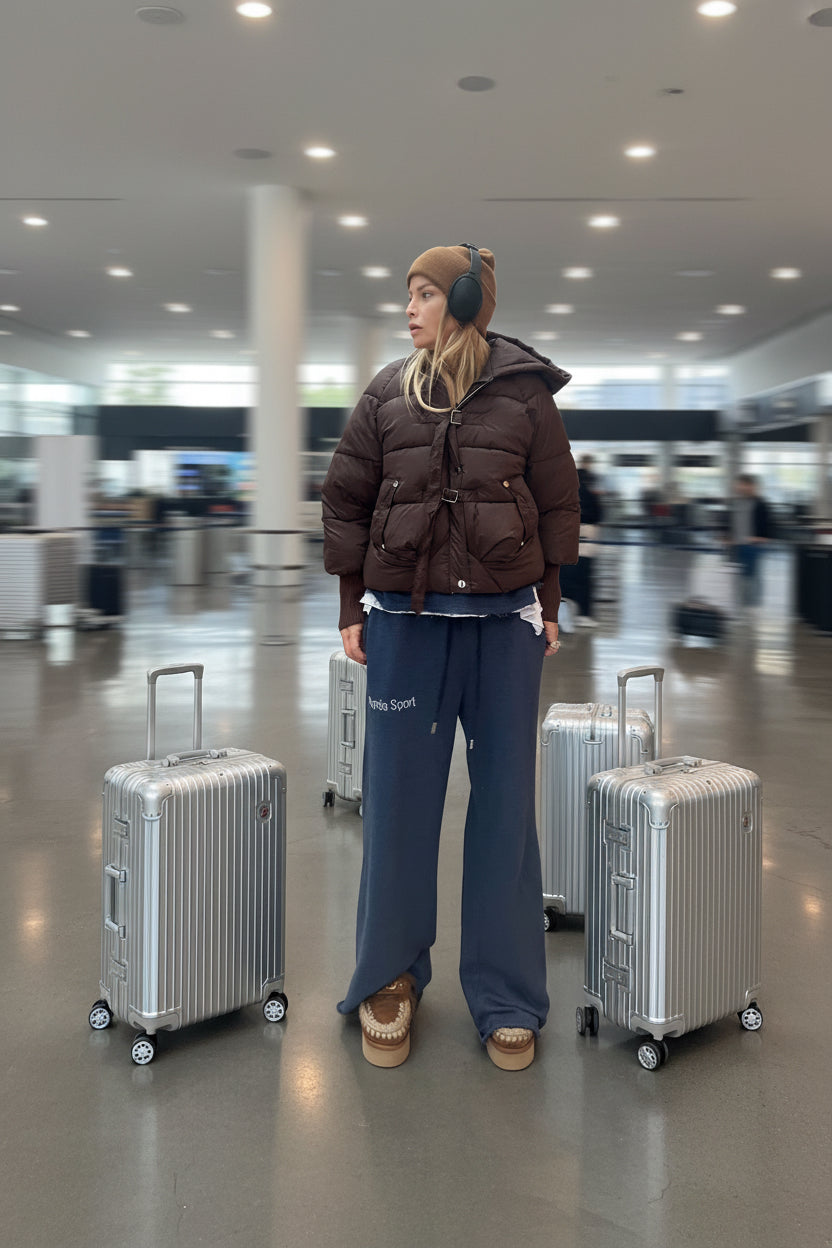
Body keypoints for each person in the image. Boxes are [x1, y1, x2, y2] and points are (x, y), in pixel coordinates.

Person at [321, 244, 580, 1071]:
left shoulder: (526, 395)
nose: (410, 308)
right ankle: (390, 975)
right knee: (396, 806)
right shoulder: (387, 393)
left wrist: (550, 603)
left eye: (427, 292)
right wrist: (350, 605)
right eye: (409, 294)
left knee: (505, 812)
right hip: (406, 625)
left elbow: (558, 500)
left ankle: (506, 992)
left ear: (467, 301)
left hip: (504, 629)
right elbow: (346, 498)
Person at [559, 454, 603, 626]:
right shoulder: (591, 495)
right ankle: (583, 615)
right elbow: (598, 516)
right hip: (586, 543)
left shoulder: (564, 494)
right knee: (584, 578)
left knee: (564, 577)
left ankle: (560, 613)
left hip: (565, 542)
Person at [730, 473, 773, 607]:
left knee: (752, 577)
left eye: (743, 485)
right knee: (740, 577)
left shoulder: (761, 503)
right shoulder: (736, 503)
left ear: (752, 486)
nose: (739, 487)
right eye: (739, 485)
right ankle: (741, 605)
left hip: (753, 545)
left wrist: (761, 538)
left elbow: (768, 525)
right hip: (737, 545)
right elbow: (732, 522)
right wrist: (729, 537)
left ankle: (753, 606)